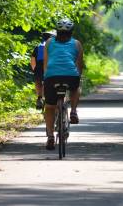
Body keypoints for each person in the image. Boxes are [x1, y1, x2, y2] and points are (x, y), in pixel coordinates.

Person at [43, 19, 84, 150]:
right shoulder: (77, 44)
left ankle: (50, 136)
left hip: (52, 77)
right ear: (71, 33)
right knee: (76, 87)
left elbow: (46, 63)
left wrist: (46, 78)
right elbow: (79, 65)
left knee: (49, 107)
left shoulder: (49, 42)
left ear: (57, 31)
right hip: (71, 76)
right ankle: (73, 111)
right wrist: (78, 76)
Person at [30, 30, 55, 110]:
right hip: (51, 66)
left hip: (40, 66)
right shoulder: (55, 46)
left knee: (38, 81)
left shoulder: (38, 47)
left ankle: (39, 98)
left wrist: (35, 71)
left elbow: (33, 61)